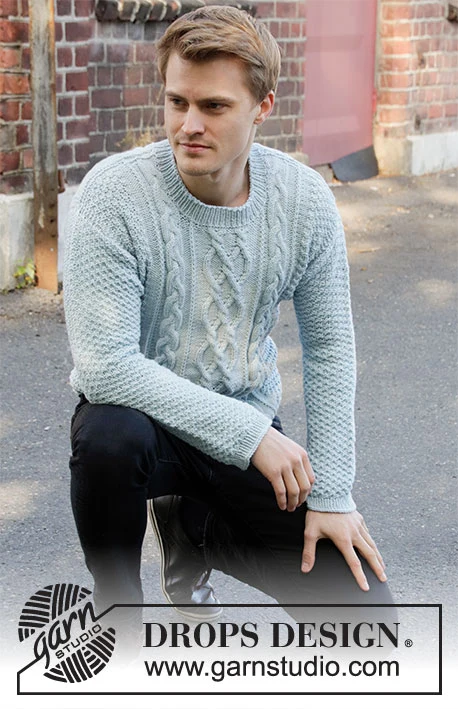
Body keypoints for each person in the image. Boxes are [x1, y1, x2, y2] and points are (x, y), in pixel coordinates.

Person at [64, 5, 394, 640]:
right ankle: (118, 623)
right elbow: (105, 367)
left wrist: (332, 496)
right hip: (148, 427)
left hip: (244, 430)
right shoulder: (116, 193)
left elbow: (329, 348)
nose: (189, 125)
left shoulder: (303, 201)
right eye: (177, 102)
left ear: (262, 107)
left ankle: (195, 531)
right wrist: (251, 434)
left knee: (368, 624)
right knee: (108, 437)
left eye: (213, 106)